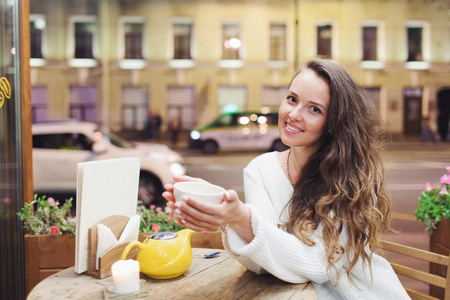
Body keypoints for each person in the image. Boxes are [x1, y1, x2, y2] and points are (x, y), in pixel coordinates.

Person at [163, 58, 409, 299]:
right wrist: (229, 216)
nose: (294, 114)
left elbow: (318, 266)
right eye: (292, 99)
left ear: (334, 122)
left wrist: (241, 217)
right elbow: (259, 266)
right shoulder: (259, 169)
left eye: (314, 109)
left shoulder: (353, 173)